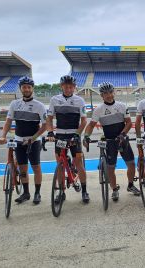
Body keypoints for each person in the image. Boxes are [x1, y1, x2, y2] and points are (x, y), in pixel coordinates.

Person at [83, 82, 140, 201]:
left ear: (113, 92)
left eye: (110, 92)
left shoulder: (122, 106)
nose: (109, 95)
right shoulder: (98, 110)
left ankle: (130, 185)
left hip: (122, 139)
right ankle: (114, 189)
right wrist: (86, 136)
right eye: (105, 93)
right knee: (110, 168)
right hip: (109, 142)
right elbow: (91, 125)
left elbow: (129, 123)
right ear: (102, 96)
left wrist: (123, 134)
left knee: (131, 164)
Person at [0, 76, 47, 205]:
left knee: (36, 167)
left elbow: (45, 125)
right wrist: (3, 135)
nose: (26, 89)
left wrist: (34, 138)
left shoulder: (39, 106)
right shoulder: (14, 104)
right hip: (19, 140)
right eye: (24, 87)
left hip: (34, 141)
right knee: (23, 168)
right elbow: (8, 122)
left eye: (29, 87)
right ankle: (26, 193)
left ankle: (37, 193)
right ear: (21, 89)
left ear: (32, 89)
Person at [47, 75, 90, 203]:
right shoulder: (54, 99)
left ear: (74, 87)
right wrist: (50, 132)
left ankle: (84, 191)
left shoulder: (80, 100)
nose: (68, 88)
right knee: (60, 165)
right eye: (66, 86)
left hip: (73, 135)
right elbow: (49, 119)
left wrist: (77, 134)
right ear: (61, 87)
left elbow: (84, 121)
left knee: (78, 164)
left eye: (70, 86)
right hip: (59, 135)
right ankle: (61, 192)